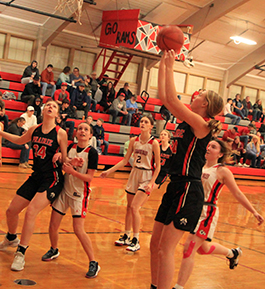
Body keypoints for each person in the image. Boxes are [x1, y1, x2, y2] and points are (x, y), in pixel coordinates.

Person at [150, 50, 224, 289]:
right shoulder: (189, 121)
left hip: (189, 191)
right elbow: (165, 97)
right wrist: (163, 63)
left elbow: (171, 100)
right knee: (154, 245)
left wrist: (171, 66)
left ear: (205, 104)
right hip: (175, 186)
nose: (194, 95)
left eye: (199, 94)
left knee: (165, 249)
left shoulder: (201, 125)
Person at [0, 99, 73, 271]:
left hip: (52, 178)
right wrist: (0, 132)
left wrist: (65, 158)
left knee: (31, 212)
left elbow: (65, 159)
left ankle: (21, 253)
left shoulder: (60, 133)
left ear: (57, 114)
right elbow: (20, 140)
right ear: (43, 110)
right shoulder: (34, 129)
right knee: (11, 211)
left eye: (54, 107)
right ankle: (12, 238)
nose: (50, 107)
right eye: (48, 105)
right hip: (36, 176)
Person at [172, 139, 264, 289]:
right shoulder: (199, 165)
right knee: (203, 249)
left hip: (207, 212)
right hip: (192, 209)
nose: (208, 148)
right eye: (208, 145)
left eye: (213, 147)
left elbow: (238, 193)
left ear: (220, 154)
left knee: (189, 248)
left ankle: (178, 287)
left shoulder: (222, 171)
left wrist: (254, 211)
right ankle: (232, 253)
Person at [42, 121, 100, 278]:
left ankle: (93, 262)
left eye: (86, 129)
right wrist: (61, 158)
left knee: (78, 229)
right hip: (64, 191)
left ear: (90, 135)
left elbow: (89, 177)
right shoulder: (70, 148)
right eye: (80, 128)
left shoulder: (92, 153)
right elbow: (64, 166)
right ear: (76, 133)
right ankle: (54, 249)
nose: (82, 131)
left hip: (79, 194)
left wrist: (72, 171)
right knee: (53, 225)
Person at [100, 115, 160, 252]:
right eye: (142, 121)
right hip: (134, 174)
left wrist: (151, 183)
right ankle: (126, 235)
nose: (143, 123)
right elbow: (124, 160)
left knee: (134, 207)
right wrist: (108, 171)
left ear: (151, 126)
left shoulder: (154, 143)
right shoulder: (134, 141)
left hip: (146, 175)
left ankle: (136, 239)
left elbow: (158, 166)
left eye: (146, 122)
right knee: (128, 207)